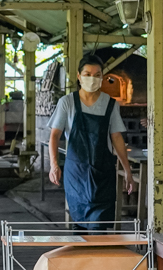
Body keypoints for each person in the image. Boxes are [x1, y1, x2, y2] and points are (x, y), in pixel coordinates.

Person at [47, 54, 135, 227]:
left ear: (102, 78)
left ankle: (98, 253)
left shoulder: (110, 104)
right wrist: (54, 165)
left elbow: (116, 137)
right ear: (79, 76)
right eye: (87, 74)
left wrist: (127, 171)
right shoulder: (67, 102)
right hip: (76, 174)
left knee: (99, 226)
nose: (92, 79)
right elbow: (54, 135)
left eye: (97, 75)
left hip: (103, 174)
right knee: (79, 224)